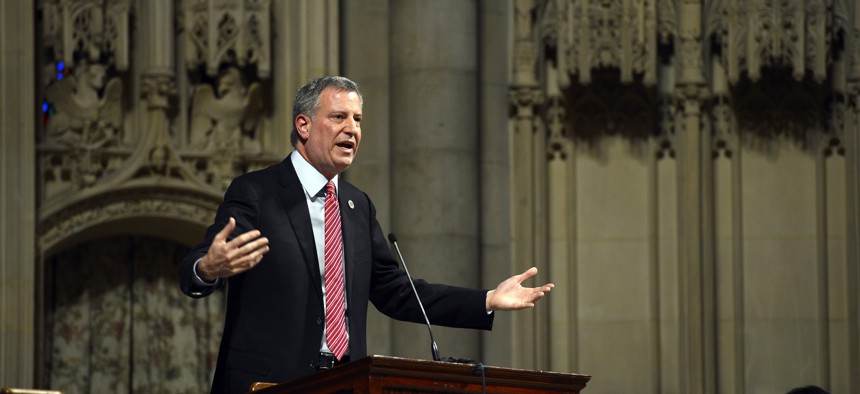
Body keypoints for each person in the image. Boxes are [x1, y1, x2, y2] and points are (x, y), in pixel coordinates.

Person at [179, 76, 554, 393]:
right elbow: (195, 267)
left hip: (348, 383)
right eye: (339, 117)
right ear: (304, 125)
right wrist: (208, 268)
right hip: (270, 384)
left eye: (358, 119)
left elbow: (397, 292)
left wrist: (487, 299)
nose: (352, 129)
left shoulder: (357, 206)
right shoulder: (257, 192)